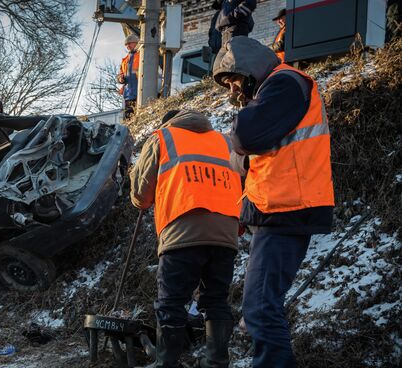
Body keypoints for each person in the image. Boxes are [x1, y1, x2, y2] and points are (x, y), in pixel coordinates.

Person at [212, 36, 334, 368]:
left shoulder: (284, 83)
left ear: (248, 68)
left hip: (286, 209)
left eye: (234, 80)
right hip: (280, 209)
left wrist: (240, 138)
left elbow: (244, 137)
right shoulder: (281, 90)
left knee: (260, 307)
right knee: (261, 306)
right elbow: (254, 154)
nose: (234, 90)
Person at [130, 110, 243, 368]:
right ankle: (216, 362)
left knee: (171, 301)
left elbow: (140, 197)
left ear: (168, 122)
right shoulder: (225, 141)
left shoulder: (163, 138)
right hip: (226, 234)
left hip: (182, 231)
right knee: (216, 299)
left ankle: (166, 363)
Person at [117, 34, 140, 120]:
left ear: (136, 43)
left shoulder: (142, 55)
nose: (128, 46)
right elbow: (120, 74)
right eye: (126, 45)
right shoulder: (124, 60)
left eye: (130, 43)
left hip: (140, 91)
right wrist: (120, 78)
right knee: (129, 118)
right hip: (128, 94)